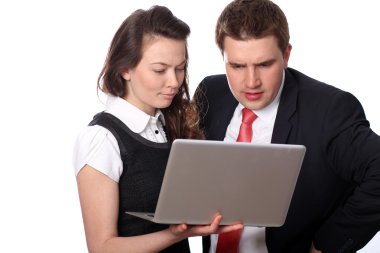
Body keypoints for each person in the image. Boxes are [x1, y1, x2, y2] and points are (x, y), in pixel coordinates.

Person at [193, 0, 380, 252]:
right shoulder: (210, 93)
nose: (251, 82)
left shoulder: (330, 111)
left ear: (286, 55)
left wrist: (326, 245)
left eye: (264, 64)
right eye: (237, 66)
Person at [73, 5, 242, 253]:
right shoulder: (102, 138)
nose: (174, 82)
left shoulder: (168, 124)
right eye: (160, 70)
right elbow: (102, 248)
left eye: (180, 68)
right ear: (125, 69)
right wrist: (173, 234)